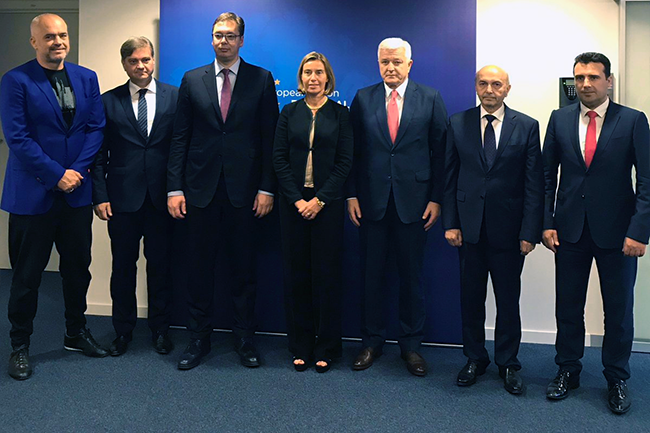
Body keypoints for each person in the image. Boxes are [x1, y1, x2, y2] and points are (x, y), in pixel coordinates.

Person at [167, 12, 279, 370]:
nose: (224, 41)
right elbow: (180, 138)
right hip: (199, 191)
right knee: (198, 269)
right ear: (211, 39)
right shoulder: (192, 79)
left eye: (230, 35)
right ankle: (198, 339)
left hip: (245, 193)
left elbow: (270, 139)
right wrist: (174, 188)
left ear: (242, 40)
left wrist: (267, 188)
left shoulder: (261, 79)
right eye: (218, 35)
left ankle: (244, 339)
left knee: (243, 270)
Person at [0, 13, 108, 380]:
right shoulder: (16, 80)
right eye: (49, 36)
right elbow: (17, 137)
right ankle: (20, 345)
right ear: (34, 42)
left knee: (77, 269)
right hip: (33, 194)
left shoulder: (86, 77)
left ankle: (75, 333)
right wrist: (56, 175)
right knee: (27, 275)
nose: (58, 41)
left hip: (76, 193)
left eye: (62, 35)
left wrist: (75, 171)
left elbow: (96, 128)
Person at [542, 52, 650, 414]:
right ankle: (567, 370)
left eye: (593, 77)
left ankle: (616, 378)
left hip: (619, 235)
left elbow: (647, 181)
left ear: (609, 81)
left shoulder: (632, 120)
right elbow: (546, 177)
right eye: (580, 78)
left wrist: (639, 230)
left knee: (618, 311)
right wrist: (547, 222)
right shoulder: (559, 119)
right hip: (569, 230)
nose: (585, 84)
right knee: (567, 306)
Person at [347, 37, 447, 376]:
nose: (390, 68)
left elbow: (441, 154)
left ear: (409, 64)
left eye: (396, 62)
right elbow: (352, 152)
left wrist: (436, 198)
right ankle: (371, 342)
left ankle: (411, 346)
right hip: (371, 203)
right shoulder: (363, 98)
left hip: (415, 204)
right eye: (384, 62)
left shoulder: (430, 98)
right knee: (371, 276)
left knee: (411, 278)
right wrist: (351, 195)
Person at [443, 65, 544, 394]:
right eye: (483, 83)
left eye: (496, 84)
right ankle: (475, 358)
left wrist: (529, 231)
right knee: (470, 299)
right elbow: (448, 176)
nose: (489, 90)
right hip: (468, 229)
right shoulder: (458, 123)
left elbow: (533, 184)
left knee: (508, 301)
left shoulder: (526, 126)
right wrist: (451, 223)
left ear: (507, 89)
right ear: (476, 86)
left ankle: (508, 362)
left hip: (510, 232)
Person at [91, 37, 178, 357]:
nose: (141, 66)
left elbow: (181, 149)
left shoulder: (175, 97)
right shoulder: (107, 101)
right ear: (124, 64)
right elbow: (97, 155)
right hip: (121, 200)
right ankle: (122, 331)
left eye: (146, 59)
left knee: (161, 267)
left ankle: (161, 330)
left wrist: (178, 191)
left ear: (153, 60)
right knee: (123, 269)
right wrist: (99, 196)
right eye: (133, 61)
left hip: (162, 199)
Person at [273, 52, 353, 373]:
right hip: (293, 205)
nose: (313, 78)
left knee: (327, 276)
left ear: (327, 77)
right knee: (296, 276)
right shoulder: (288, 112)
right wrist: (297, 200)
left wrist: (319, 201)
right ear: (301, 78)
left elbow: (345, 162)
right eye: (307, 72)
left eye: (319, 72)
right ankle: (300, 345)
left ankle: (327, 346)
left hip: (327, 206)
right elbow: (279, 159)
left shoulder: (341, 114)